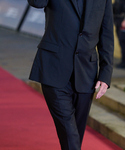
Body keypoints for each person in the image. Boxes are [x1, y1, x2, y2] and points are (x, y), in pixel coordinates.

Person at [27, 0, 114, 150]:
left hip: (86, 73)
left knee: (75, 136)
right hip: (53, 69)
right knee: (70, 135)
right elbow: (36, 2)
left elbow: (106, 34)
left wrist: (105, 74)